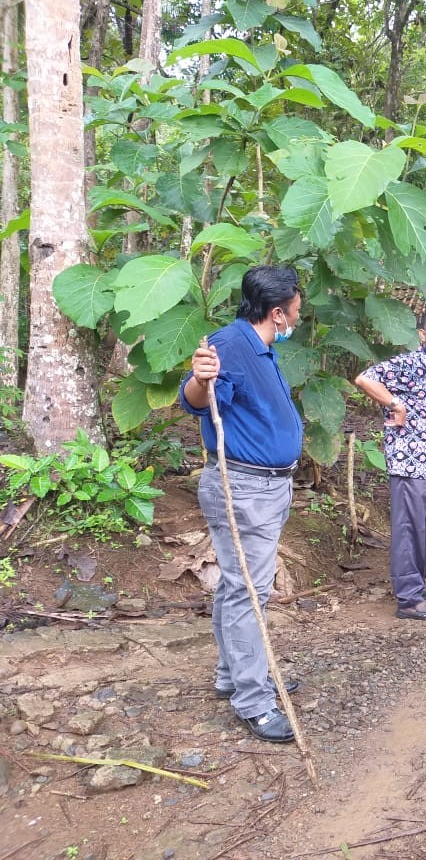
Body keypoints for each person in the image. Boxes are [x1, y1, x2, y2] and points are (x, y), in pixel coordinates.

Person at [179, 265, 304, 744]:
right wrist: (198, 378)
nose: (298, 314)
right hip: (245, 489)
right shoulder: (229, 345)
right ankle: (253, 700)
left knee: (240, 587)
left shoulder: (260, 346)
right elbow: (196, 399)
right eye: (296, 308)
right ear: (277, 312)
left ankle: (233, 676)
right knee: (249, 592)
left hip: (267, 487)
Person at [356, 309, 426, 621]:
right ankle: (408, 599)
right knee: (409, 529)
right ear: (423, 334)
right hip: (411, 462)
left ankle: (417, 583)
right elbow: (365, 379)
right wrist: (394, 403)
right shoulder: (408, 363)